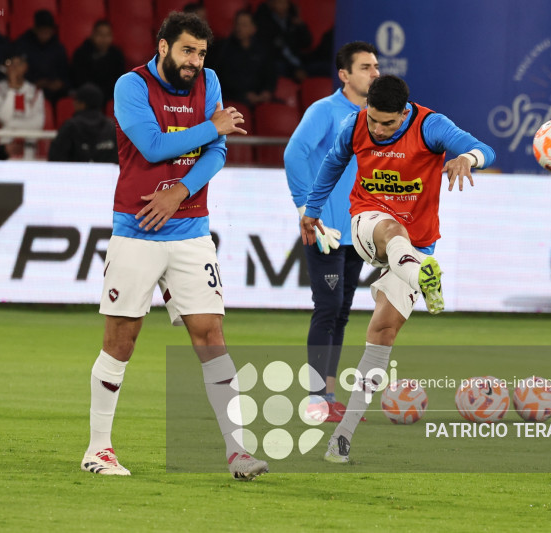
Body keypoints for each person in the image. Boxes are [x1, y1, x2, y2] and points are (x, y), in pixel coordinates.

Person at [80, 12, 269, 481]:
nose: (195, 62)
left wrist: (179, 192)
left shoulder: (210, 81)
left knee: (211, 337)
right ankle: (98, 449)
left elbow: (220, 151)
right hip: (137, 229)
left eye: (201, 53)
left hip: (191, 231)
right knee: (121, 341)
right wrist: (213, 127)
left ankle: (237, 450)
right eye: (187, 50)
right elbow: (151, 146)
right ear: (163, 47)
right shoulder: (131, 85)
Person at [300, 74, 496, 463]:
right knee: (392, 229)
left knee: (382, 332)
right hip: (368, 224)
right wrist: (312, 209)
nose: (378, 128)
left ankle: (342, 437)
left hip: (420, 243)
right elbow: (333, 163)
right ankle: (420, 273)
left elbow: (484, 148)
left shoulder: (430, 125)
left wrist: (466, 158)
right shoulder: (354, 124)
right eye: (373, 119)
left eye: (387, 123)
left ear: (404, 113)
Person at [285, 41, 379, 423]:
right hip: (326, 229)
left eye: (376, 67)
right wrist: (308, 209)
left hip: (358, 231)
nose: (374, 73)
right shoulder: (325, 111)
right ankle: (315, 398)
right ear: (344, 75)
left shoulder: (376, 116)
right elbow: (294, 153)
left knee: (341, 311)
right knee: (326, 309)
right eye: (365, 67)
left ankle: (328, 393)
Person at [212, 10, 276, 107]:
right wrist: (244, 94)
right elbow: (224, 78)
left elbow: (270, 73)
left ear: (253, 28)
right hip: (234, 98)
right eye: (237, 24)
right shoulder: (224, 48)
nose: (239, 28)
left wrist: (267, 91)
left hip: (260, 98)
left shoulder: (262, 49)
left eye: (244, 25)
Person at [0, 52, 45, 151]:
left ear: (26, 67)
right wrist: (12, 89)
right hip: (2, 145)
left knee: (30, 137)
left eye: (19, 64)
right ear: (5, 67)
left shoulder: (36, 92)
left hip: (29, 145)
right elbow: (3, 118)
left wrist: (9, 126)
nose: (14, 68)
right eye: (10, 64)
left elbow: (38, 123)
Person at [48, 83, 117, 163]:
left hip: (74, 174)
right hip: (108, 175)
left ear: (82, 104)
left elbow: (54, 158)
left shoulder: (70, 126)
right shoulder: (112, 127)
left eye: (76, 101)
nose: (73, 104)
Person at [13, 9, 70, 102]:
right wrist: (34, 83)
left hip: (54, 94)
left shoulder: (58, 47)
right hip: (28, 90)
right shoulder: (22, 45)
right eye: (42, 31)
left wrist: (60, 83)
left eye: (48, 31)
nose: (45, 35)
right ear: (35, 29)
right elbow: (16, 72)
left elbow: (65, 74)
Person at [70, 20, 126, 107]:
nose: (104, 39)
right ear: (93, 35)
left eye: (107, 35)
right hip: (88, 97)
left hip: (110, 96)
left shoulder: (117, 55)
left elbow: (120, 79)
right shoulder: (81, 54)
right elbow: (80, 80)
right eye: (100, 35)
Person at [253, 0, 312, 81]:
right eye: (279, 2)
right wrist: (294, 69)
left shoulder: (293, 21)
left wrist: (301, 27)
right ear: (272, 4)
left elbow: (307, 43)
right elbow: (271, 49)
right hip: (278, 62)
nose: (282, 5)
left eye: (284, 2)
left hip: (298, 60)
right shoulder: (264, 22)